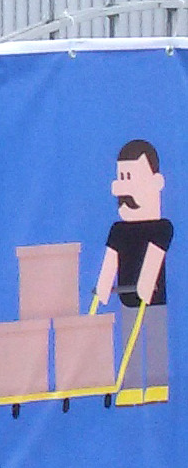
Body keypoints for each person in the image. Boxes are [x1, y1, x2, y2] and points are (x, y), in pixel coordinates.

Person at [94, 138, 173, 405]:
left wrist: (146, 282)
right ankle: (130, 385)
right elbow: (111, 259)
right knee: (130, 338)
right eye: (122, 178)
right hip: (127, 297)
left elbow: (155, 255)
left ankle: (157, 385)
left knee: (155, 338)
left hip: (154, 297)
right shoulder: (118, 230)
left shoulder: (161, 227)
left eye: (131, 178)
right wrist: (103, 288)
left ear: (157, 182)